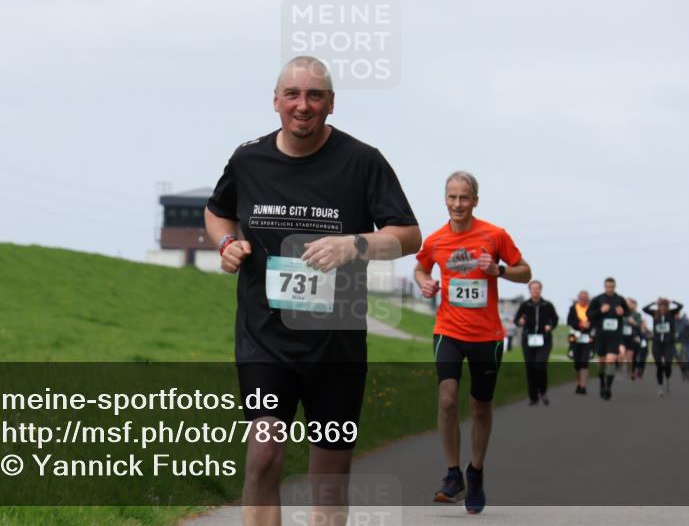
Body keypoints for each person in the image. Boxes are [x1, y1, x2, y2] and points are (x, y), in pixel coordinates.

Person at [205, 56, 421, 526]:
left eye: (315, 96)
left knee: (329, 479)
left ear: (331, 103)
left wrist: (355, 244)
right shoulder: (248, 159)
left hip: (335, 346)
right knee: (264, 453)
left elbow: (409, 236)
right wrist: (226, 244)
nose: (303, 105)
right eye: (293, 95)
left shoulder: (362, 161)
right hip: (264, 340)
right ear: (276, 101)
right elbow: (217, 211)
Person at [414, 171, 532, 514]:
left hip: (487, 337)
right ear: (445, 199)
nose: (457, 204)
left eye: (464, 197)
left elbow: (526, 272)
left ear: (475, 201)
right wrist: (424, 283)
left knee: (480, 407)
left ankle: (475, 471)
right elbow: (420, 268)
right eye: (452, 197)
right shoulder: (436, 240)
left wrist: (499, 271)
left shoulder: (495, 235)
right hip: (448, 331)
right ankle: (453, 474)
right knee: (448, 399)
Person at [514, 281, 558, 405]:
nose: (535, 291)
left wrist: (550, 326)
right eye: (533, 288)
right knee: (530, 368)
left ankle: (543, 392)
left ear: (540, 290)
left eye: (537, 288)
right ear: (530, 290)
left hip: (544, 339)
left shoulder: (547, 305)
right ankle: (533, 397)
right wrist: (520, 322)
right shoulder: (525, 305)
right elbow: (516, 320)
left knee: (540, 365)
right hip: (528, 340)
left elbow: (555, 319)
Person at [588, 277, 628, 400]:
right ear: (604, 287)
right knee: (602, 362)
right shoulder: (598, 299)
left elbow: (627, 312)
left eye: (612, 287)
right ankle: (602, 383)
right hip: (601, 335)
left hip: (614, 335)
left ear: (615, 287)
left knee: (611, 360)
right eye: (607, 287)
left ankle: (608, 388)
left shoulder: (620, 299)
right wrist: (600, 311)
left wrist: (623, 312)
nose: (610, 289)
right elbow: (589, 314)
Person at [642, 298, 683, 396]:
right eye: (661, 306)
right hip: (657, 343)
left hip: (668, 343)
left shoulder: (671, 313)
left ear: (667, 307)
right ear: (658, 306)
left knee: (668, 365)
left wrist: (672, 301)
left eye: (665, 306)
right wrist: (653, 302)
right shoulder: (655, 313)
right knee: (659, 366)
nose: (663, 308)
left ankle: (668, 379)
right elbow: (644, 309)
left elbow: (681, 306)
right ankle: (660, 387)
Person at [566, 290, 593, 394]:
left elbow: (595, 321)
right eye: (581, 298)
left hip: (587, 337)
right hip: (575, 337)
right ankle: (578, 382)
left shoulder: (592, 309)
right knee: (577, 362)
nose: (583, 299)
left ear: (588, 299)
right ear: (578, 298)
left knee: (584, 361)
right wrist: (580, 324)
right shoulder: (573, 308)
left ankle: (583, 386)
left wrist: (589, 325)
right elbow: (569, 321)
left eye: (585, 298)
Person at [621, 298, 643, 379]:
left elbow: (639, 326)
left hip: (632, 337)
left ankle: (630, 371)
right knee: (622, 353)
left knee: (630, 356)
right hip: (622, 336)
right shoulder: (621, 313)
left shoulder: (637, 314)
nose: (626, 305)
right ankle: (620, 367)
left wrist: (633, 322)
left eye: (628, 303)